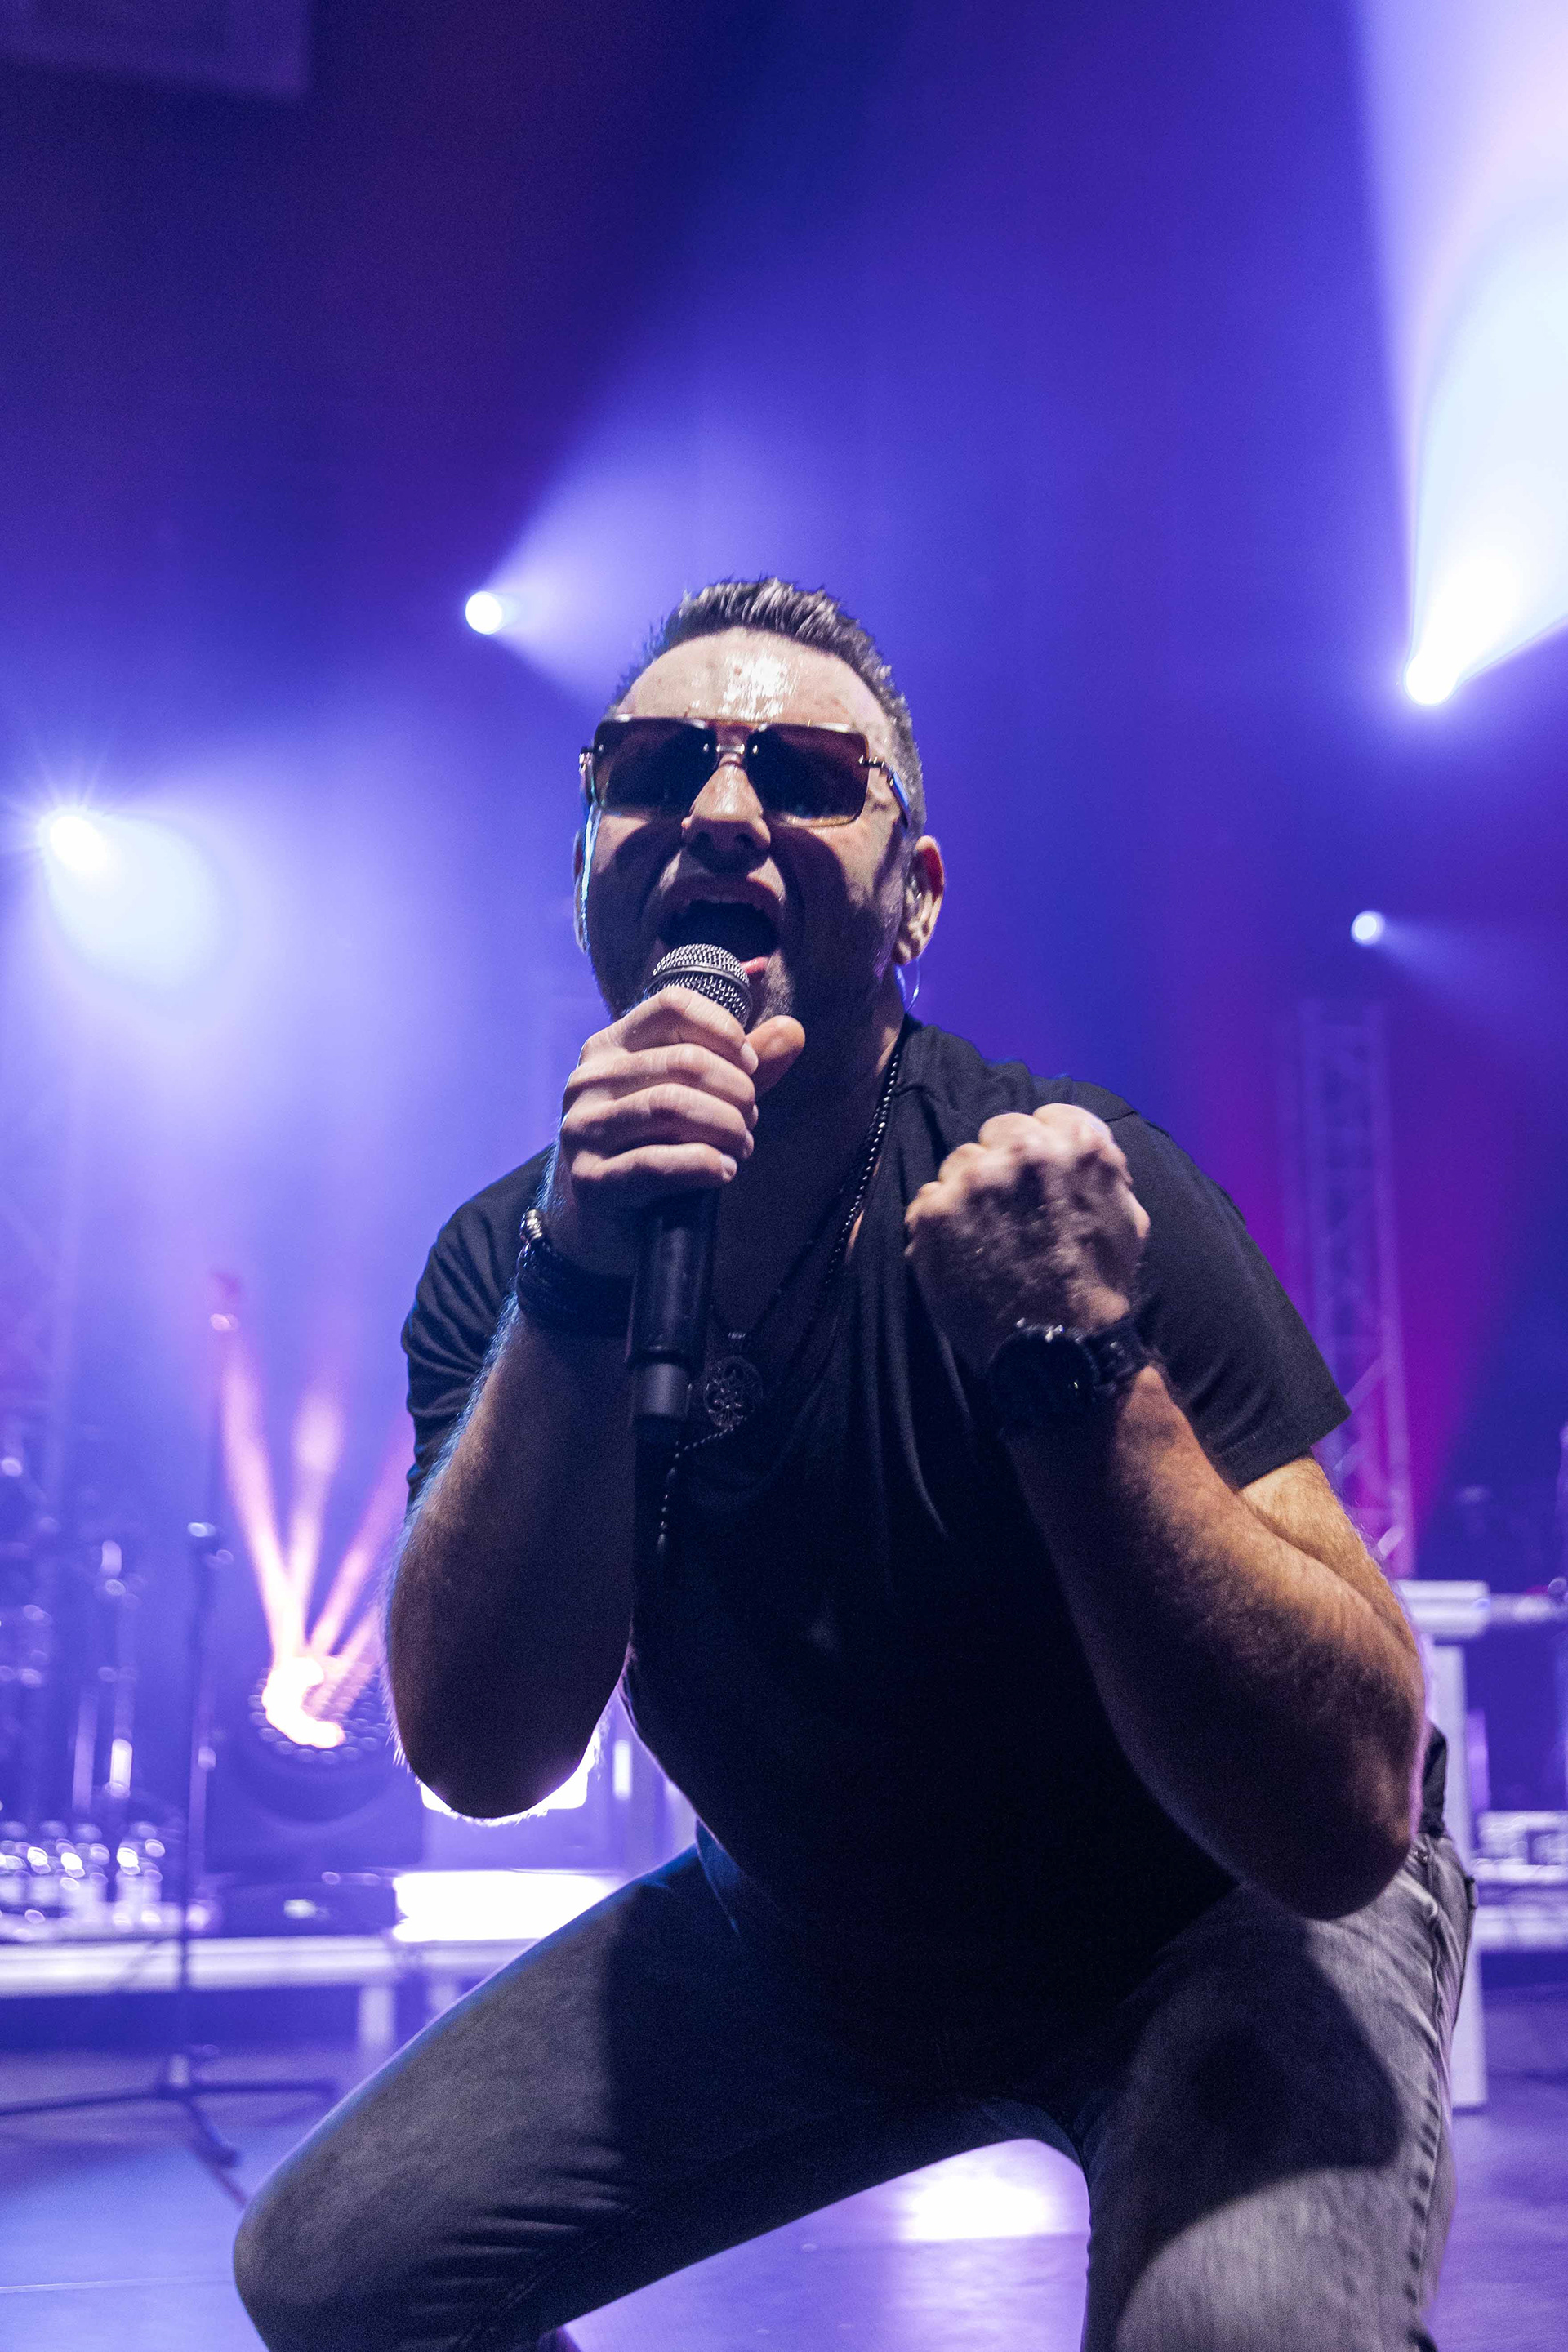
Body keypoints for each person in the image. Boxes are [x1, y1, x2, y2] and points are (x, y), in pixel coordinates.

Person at [235, 579, 1471, 2352]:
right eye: (657, 768)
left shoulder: (1067, 1186)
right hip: (814, 1931)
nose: (723, 811)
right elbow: (486, 1757)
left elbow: (1348, 1806)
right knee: (334, 2272)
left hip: (1205, 1910)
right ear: (587, 864)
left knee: (1236, 2335)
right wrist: (581, 1285)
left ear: (916, 896)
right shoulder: (515, 1263)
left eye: (809, 776)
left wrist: (1075, 1369)